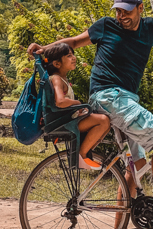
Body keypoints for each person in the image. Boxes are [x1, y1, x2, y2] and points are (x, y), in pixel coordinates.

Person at [28, 0, 153, 229]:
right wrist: (45, 48)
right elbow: (74, 42)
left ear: (140, 8)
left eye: (126, 11)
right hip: (108, 97)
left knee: (138, 165)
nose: (121, 16)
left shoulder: (151, 29)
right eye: (118, 11)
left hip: (126, 100)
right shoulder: (106, 27)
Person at [42, 42, 110, 171]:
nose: (73, 58)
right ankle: (82, 155)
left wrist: (76, 110)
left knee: (106, 124)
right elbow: (60, 102)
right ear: (57, 64)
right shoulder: (56, 79)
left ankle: (86, 153)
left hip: (68, 119)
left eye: (73, 54)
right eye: (68, 56)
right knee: (103, 121)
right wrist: (77, 103)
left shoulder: (63, 79)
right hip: (65, 123)